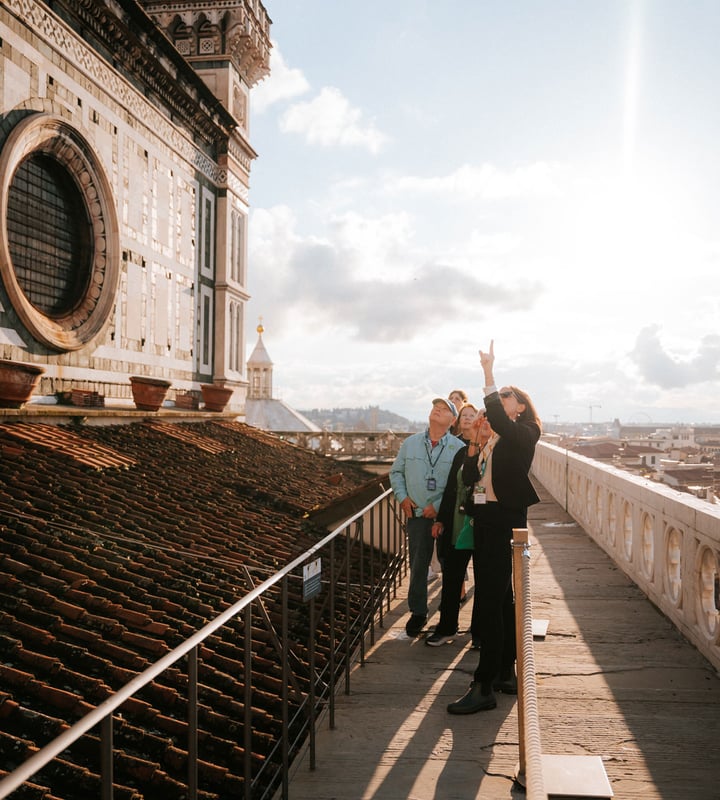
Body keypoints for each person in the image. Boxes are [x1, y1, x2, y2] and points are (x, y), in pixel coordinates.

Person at [446, 340, 542, 714]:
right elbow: (470, 478)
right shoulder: (496, 439)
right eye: (499, 394)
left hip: (505, 522)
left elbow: (500, 420)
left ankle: (483, 684)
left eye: (507, 395)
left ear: (520, 406)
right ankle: (504, 671)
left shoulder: (526, 432)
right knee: (501, 600)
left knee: (489, 600)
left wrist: (488, 375)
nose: (501, 399)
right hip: (485, 520)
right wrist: (474, 444)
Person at [390, 398, 465, 637]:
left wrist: (439, 507)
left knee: (449, 565)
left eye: (444, 410)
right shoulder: (410, 443)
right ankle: (418, 612)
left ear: (452, 421)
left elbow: (459, 485)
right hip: (417, 514)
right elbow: (396, 472)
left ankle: (446, 613)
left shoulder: (458, 448)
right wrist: (402, 497)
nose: (437, 410)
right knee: (418, 564)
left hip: (447, 515)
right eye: (435, 407)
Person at [426, 408, 491, 648]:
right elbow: (452, 489)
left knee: (484, 581)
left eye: (487, 421)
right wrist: (441, 519)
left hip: (485, 525)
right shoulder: (464, 452)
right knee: (452, 578)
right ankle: (447, 628)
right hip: (458, 522)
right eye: (479, 420)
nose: (482, 424)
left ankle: (479, 633)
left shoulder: (497, 450)